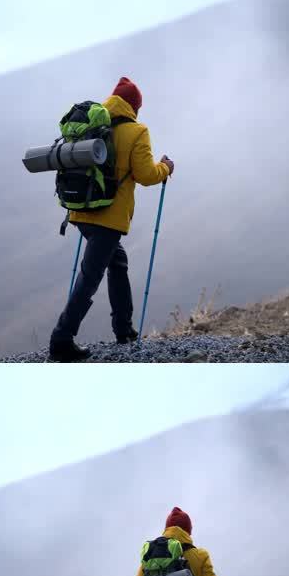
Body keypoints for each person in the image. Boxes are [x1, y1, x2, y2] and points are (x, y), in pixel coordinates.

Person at [49, 76, 176, 362]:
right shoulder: (137, 131)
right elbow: (145, 176)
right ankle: (62, 339)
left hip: (80, 211)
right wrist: (165, 168)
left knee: (116, 263)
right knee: (90, 277)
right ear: (134, 106)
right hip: (108, 217)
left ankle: (123, 328)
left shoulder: (93, 127)